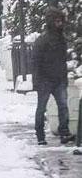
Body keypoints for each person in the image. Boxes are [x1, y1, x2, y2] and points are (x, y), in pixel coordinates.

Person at [32, 8, 76, 145]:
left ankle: (60, 132)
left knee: (61, 106)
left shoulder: (57, 39)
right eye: (57, 21)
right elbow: (36, 61)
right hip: (47, 79)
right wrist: (37, 80)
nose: (60, 24)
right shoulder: (45, 40)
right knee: (45, 107)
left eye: (61, 21)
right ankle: (44, 135)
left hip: (56, 79)